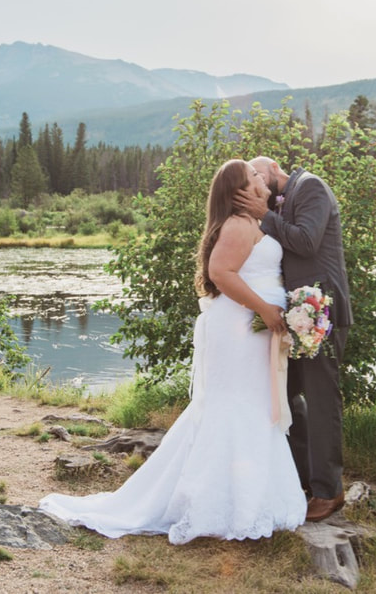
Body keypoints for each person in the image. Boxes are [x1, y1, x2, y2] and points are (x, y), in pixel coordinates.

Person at [39, 159, 306, 544]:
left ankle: (249, 499)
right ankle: (215, 504)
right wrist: (265, 309)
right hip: (239, 331)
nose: (260, 179)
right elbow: (221, 274)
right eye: (252, 177)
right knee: (233, 406)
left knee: (253, 406)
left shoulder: (257, 221)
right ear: (239, 192)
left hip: (252, 332)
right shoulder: (237, 224)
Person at [237, 157, 352, 523]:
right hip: (296, 315)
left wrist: (265, 215)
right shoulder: (281, 201)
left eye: (259, 175)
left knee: (321, 400)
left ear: (274, 167)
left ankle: (329, 491)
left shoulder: (312, 187)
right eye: (252, 180)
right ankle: (301, 479)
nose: (258, 184)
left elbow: (305, 241)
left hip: (322, 312)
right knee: (287, 397)